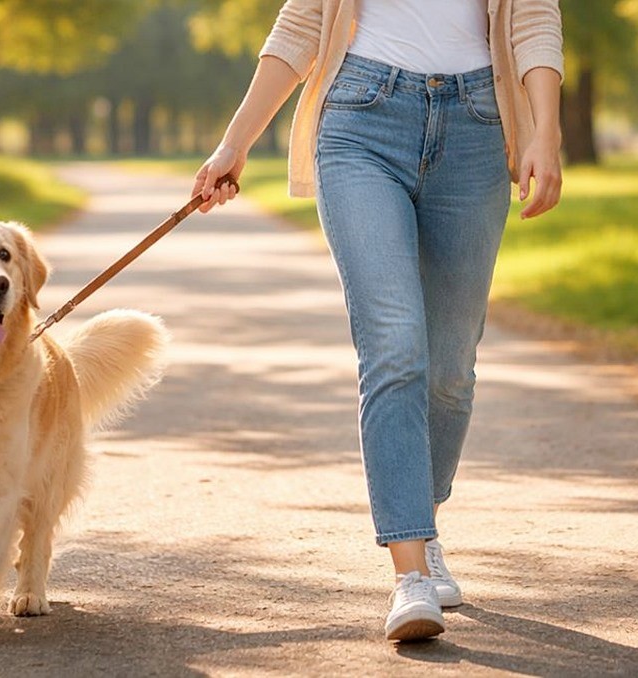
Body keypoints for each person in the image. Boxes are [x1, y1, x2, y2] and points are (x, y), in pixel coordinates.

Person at [193, 0, 564, 642]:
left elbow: (533, 20)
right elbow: (303, 21)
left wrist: (545, 131)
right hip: (361, 119)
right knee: (394, 345)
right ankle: (410, 573)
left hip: (477, 124)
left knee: (450, 369)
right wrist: (235, 142)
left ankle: (425, 519)